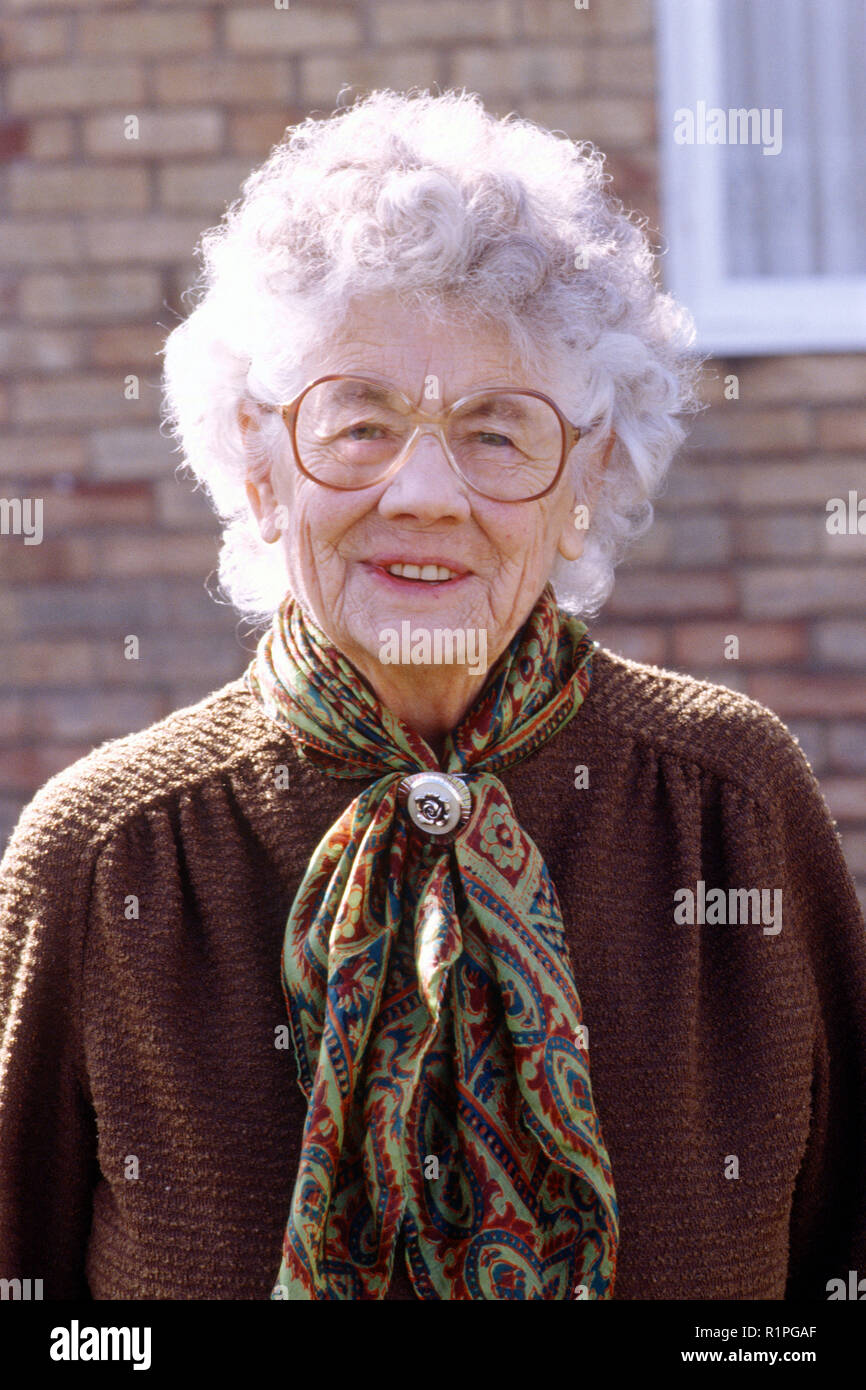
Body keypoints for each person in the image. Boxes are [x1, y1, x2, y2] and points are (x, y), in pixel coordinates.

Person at [1, 88, 864, 1302]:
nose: (421, 492)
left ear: (587, 474)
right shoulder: (107, 855)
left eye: (496, 432)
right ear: (256, 466)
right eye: (356, 424)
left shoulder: (732, 803)